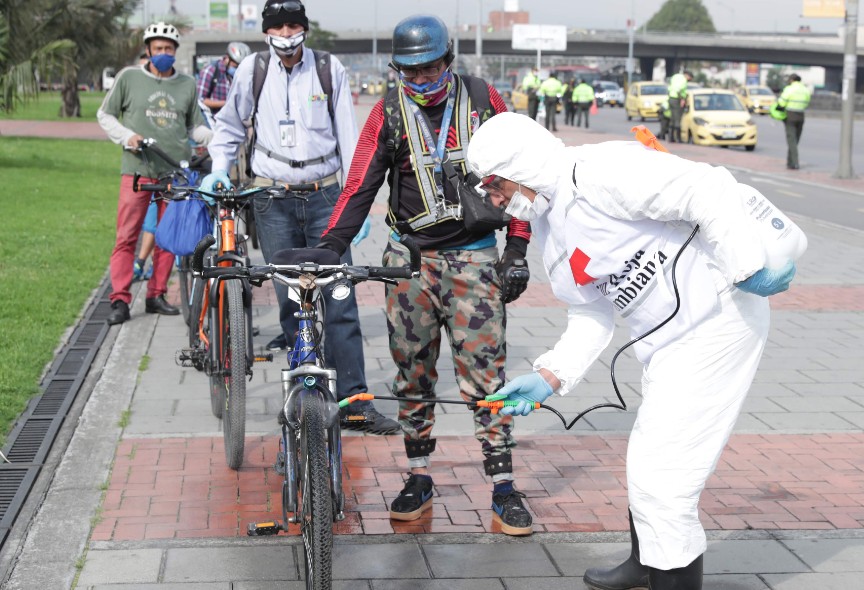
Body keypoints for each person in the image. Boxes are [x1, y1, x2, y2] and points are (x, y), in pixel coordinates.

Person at [466, 112, 803, 589]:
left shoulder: (599, 172)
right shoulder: (550, 230)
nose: (494, 199)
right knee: (648, 458)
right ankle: (646, 563)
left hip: (719, 318)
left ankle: (665, 569)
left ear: (525, 164)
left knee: (664, 482)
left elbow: (706, 189)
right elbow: (590, 313)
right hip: (667, 340)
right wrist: (550, 376)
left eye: (496, 184)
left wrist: (746, 268)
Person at [316, 14, 537, 537]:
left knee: (485, 374)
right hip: (409, 262)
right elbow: (359, 185)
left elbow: (522, 173)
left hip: (475, 258)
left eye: (430, 70)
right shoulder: (389, 111)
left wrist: (519, 248)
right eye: (408, 73)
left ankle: (503, 483)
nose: (420, 82)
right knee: (412, 372)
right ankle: (418, 475)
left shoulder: (485, 101)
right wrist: (330, 246)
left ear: (449, 60)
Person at [201, 0, 399, 435]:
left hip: (327, 196)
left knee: (340, 298)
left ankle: (354, 401)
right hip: (272, 199)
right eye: (279, 26)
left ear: (304, 29)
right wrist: (219, 166)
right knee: (292, 297)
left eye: (294, 25)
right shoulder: (252, 70)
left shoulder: (329, 69)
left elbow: (351, 138)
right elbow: (230, 126)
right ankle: (301, 393)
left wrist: (355, 202)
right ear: (267, 32)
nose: (287, 34)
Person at [97, 22, 213, 325]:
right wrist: (126, 136)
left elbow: (193, 127)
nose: (164, 53)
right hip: (138, 171)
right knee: (126, 237)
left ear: (175, 51)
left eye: (169, 49)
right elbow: (105, 114)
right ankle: (120, 299)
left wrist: (217, 138)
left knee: (167, 238)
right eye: (158, 48)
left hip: (175, 174)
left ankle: (155, 294)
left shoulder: (187, 84)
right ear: (148, 50)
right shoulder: (130, 77)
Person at [197, 41, 251, 115]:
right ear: (227, 58)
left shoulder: (240, 76)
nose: (238, 69)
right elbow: (200, 100)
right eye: (235, 66)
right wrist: (227, 103)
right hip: (213, 120)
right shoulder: (210, 71)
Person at [776, 73, 811, 170]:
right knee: (795, 140)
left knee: (792, 141)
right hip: (801, 116)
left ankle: (795, 163)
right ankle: (789, 162)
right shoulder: (805, 90)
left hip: (790, 116)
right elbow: (807, 102)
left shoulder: (789, 89)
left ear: (792, 80)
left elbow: (781, 102)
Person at [666, 70, 692, 143]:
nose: (689, 80)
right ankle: (678, 138)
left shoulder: (675, 76)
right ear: (687, 75)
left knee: (672, 119)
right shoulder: (683, 80)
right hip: (677, 100)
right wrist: (682, 99)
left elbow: (670, 86)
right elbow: (679, 90)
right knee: (677, 120)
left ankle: (670, 137)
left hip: (671, 98)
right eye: (690, 78)